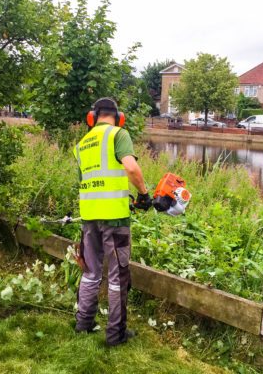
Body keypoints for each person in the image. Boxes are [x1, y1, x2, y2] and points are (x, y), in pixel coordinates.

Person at [73, 97, 152, 347]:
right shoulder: (119, 134)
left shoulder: (82, 144)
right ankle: (115, 335)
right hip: (115, 219)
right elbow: (131, 168)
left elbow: (89, 180)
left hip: (88, 216)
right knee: (118, 277)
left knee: (90, 272)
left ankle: (83, 324)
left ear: (91, 117)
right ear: (119, 117)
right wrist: (143, 194)